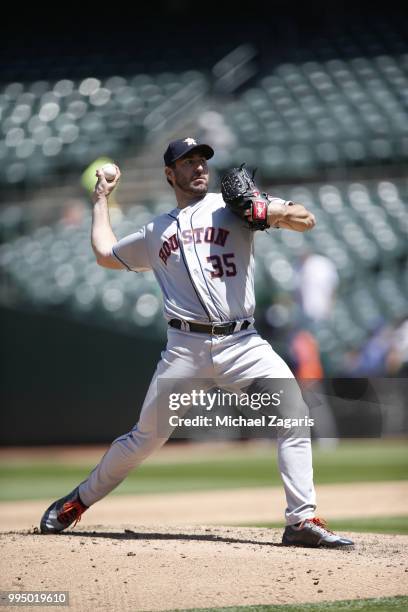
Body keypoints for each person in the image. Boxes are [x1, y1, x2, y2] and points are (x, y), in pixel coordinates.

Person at [40, 137, 353, 548]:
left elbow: (304, 218)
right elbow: (103, 253)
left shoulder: (232, 207)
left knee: (293, 413)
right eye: (187, 162)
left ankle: (301, 520)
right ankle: (78, 501)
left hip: (244, 343)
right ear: (170, 174)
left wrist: (265, 209)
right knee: (144, 439)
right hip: (184, 350)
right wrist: (101, 198)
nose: (199, 166)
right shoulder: (155, 231)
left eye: (202, 159)